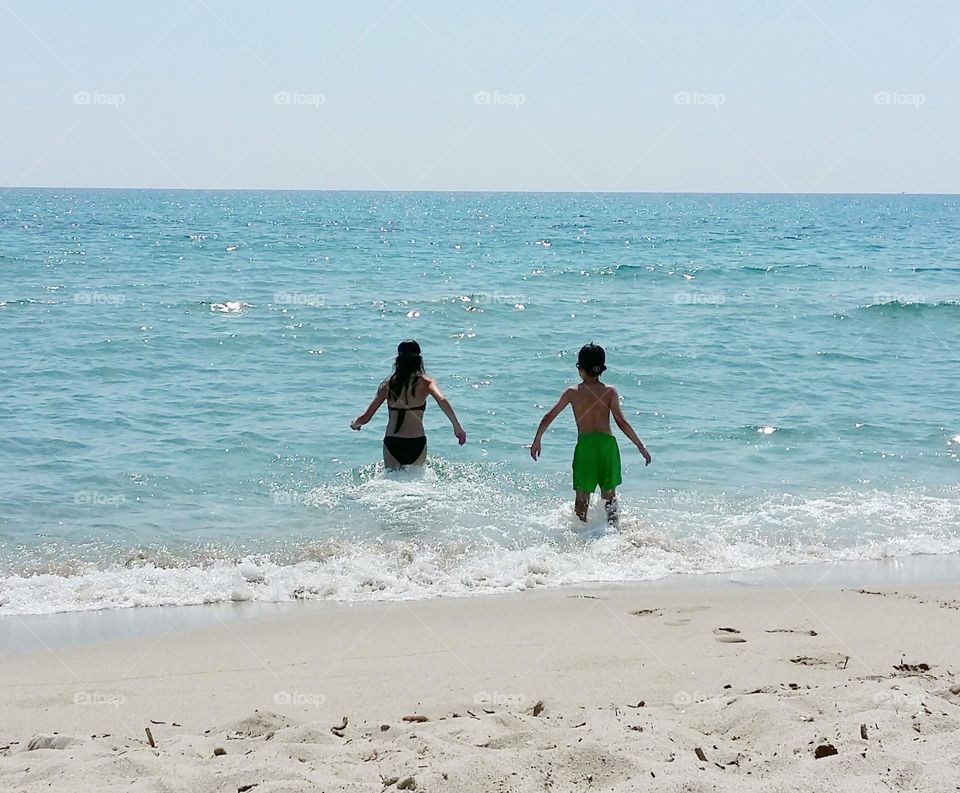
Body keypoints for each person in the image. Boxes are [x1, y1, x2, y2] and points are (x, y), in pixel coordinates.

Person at [530, 343, 651, 524]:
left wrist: (537, 440)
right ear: (602, 369)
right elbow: (622, 422)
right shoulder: (610, 391)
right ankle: (614, 533)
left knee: (582, 497)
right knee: (609, 496)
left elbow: (548, 416)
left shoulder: (572, 392)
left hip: (586, 447)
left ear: (580, 368)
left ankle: (580, 538)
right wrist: (640, 446)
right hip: (607, 446)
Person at [351, 340, 467, 469]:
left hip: (393, 442)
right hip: (416, 441)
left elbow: (366, 418)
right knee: (417, 484)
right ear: (419, 359)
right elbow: (442, 400)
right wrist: (457, 428)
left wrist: (355, 423)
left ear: (398, 359)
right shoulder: (427, 382)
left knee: (391, 483)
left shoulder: (388, 385)